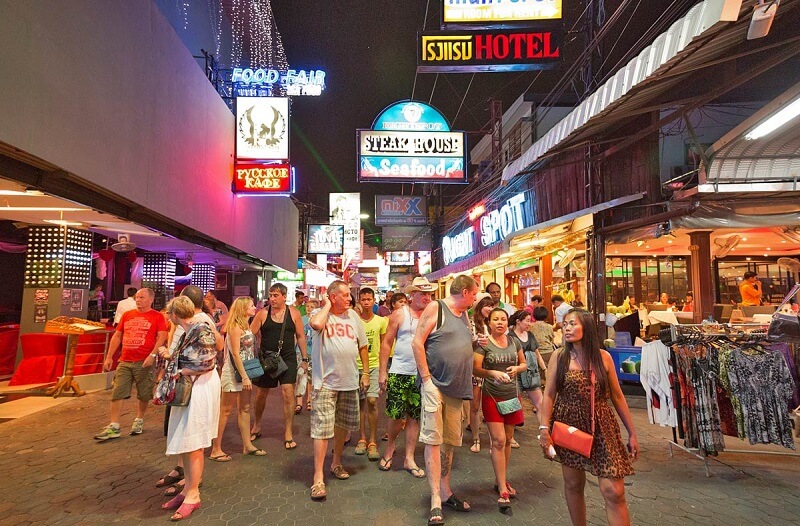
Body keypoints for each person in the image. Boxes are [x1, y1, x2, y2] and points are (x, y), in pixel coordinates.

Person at [539, 309, 639, 526]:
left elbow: (618, 396)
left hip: (602, 426)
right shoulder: (560, 357)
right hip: (569, 426)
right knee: (573, 484)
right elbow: (548, 395)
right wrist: (544, 429)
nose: (566, 328)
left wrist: (632, 433)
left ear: (587, 327)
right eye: (564, 324)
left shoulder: (603, 358)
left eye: (572, 324)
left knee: (614, 490)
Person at [412, 275, 478, 526]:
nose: (474, 299)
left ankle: (446, 491)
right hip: (436, 386)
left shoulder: (464, 314)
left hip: (456, 388)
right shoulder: (436, 308)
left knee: (449, 441)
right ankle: (435, 500)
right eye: (473, 294)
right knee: (433, 440)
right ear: (463, 292)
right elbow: (417, 342)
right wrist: (427, 381)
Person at [156, 296, 220, 521]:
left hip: (199, 388)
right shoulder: (189, 331)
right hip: (192, 388)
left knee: (194, 442)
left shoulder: (200, 329)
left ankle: (193, 494)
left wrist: (181, 371)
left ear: (174, 314)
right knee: (186, 440)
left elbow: (208, 362)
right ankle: (187, 490)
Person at [308, 280, 370, 501]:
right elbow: (315, 325)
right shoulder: (320, 313)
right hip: (325, 382)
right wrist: (326, 305)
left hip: (349, 380)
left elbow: (362, 345)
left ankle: (336, 462)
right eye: (344, 295)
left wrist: (365, 373)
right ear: (332, 296)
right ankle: (317, 478)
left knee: (342, 425)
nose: (349, 299)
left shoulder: (353, 317)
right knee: (322, 430)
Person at [378, 278, 434, 478]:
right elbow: (387, 343)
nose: (426, 297)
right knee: (395, 415)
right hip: (400, 371)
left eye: (429, 294)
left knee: (414, 416)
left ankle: (409, 457)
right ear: (412, 295)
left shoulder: (433, 316)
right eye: (422, 293)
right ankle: (390, 447)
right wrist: (383, 371)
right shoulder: (399, 314)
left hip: (422, 374)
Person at [95, 288, 167, 441]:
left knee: (144, 393)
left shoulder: (157, 316)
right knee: (118, 391)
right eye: (137, 297)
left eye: (142, 297)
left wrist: (153, 355)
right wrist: (109, 357)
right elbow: (117, 335)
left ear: (150, 300)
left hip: (144, 361)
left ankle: (139, 419)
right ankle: (114, 425)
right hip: (125, 360)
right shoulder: (127, 315)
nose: (138, 300)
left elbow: (162, 336)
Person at [473, 308, 526, 511]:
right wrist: (492, 373)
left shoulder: (514, 342)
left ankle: (500, 479)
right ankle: (503, 487)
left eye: (503, 319)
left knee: (507, 442)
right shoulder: (484, 344)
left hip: (512, 396)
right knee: (499, 440)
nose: (500, 323)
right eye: (495, 319)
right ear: (489, 322)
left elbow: (523, 363)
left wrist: (517, 369)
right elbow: (475, 368)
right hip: (492, 397)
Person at [249, 283, 309, 450]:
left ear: (284, 296)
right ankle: (257, 425)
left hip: (288, 358)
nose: (272, 299)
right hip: (266, 358)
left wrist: (304, 358)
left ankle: (288, 432)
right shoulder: (262, 314)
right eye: (271, 295)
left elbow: (301, 336)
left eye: (276, 295)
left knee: (288, 393)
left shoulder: (294, 313)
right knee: (261, 394)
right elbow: (249, 335)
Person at [209, 297, 267, 462]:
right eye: (251, 306)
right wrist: (244, 376)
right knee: (226, 410)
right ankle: (216, 448)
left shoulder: (246, 326)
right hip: (234, 373)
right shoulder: (235, 327)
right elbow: (234, 353)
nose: (254, 307)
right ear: (243, 308)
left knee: (245, 408)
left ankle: (247, 445)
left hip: (245, 371)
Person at [354, 288, 387, 460]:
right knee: (360, 403)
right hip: (355, 366)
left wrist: (383, 370)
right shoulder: (354, 321)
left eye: (369, 299)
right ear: (359, 301)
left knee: (372, 401)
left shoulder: (381, 321)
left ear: (374, 300)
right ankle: (362, 438)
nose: (366, 302)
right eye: (363, 299)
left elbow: (384, 347)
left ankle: (372, 440)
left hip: (374, 366)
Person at [468, 292, 493, 453]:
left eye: (492, 305)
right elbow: (465, 346)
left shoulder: (493, 324)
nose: (490, 308)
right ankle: (476, 439)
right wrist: (476, 341)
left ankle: (494, 439)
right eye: (487, 305)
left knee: (491, 405)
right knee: (475, 405)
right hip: (476, 369)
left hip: (492, 368)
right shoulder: (470, 324)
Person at [509, 310, 548, 415]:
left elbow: (537, 354)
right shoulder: (510, 337)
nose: (529, 324)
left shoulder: (530, 335)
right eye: (527, 321)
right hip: (517, 375)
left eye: (530, 321)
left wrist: (544, 369)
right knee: (514, 406)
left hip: (531, 373)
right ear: (518, 321)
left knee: (540, 404)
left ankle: (544, 430)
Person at [296, 298, 319, 413]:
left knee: (311, 378)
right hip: (300, 351)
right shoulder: (301, 320)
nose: (309, 309)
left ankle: (309, 400)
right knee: (300, 376)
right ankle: (299, 403)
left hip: (314, 352)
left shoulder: (318, 321)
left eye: (312, 307)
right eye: (308, 307)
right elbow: (297, 335)